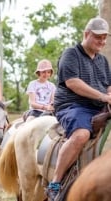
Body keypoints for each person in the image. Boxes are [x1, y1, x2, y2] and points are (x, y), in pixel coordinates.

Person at [46, 17, 111, 201]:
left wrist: (109, 94)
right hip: (73, 105)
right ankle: (55, 183)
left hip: (98, 106)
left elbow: (109, 85)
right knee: (81, 134)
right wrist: (103, 97)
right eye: (98, 37)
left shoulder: (103, 61)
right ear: (86, 34)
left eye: (104, 37)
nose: (102, 41)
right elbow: (73, 83)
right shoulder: (71, 54)